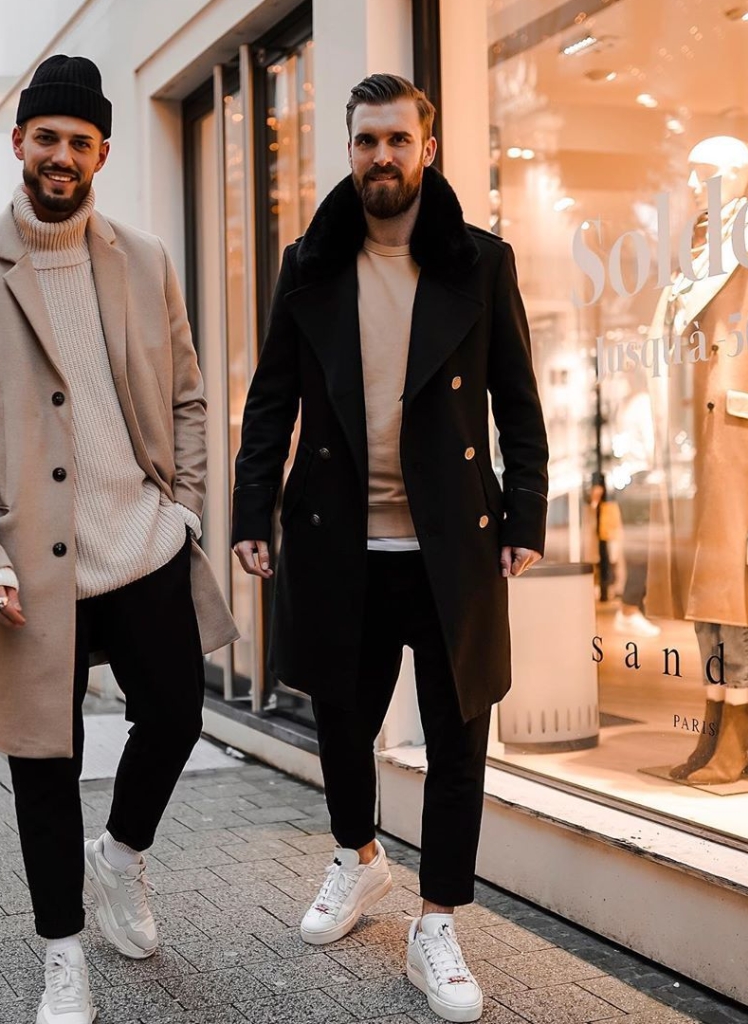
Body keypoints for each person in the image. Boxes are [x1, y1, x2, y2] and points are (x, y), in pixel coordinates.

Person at [0, 54, 237, 1024]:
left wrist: (181, 513)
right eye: (45, 137)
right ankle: (63, 950)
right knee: (42, 764)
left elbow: (185, 395)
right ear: (19, 144)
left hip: (140, 544)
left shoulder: (143, 261)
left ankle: (123, 854)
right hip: (25, 568)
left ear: (102, 149)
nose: (61, 155)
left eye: (78, 141)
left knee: (176, 712)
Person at [232, 73, 548, 1023]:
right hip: (340, 543)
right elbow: (271, 399)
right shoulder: (310, 264)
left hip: (450, 546)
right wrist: (253, 513)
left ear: (428, 148)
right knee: (339, 723)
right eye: (366, 141)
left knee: (459, 744)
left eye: (397, 141)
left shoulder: (480, 265)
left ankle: (437, 922)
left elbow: (519, 408)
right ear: (351, 148)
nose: (381, 158)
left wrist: (525, 518)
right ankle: (358, 859)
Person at [646, 135, 748, 784]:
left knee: (731, 590)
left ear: (732, 176)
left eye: (704, 173)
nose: (693, 183)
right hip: (692, 445)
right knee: (699, 591)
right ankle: (715, 719)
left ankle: (738, 725)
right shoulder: (691, 259)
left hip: (738, 440)